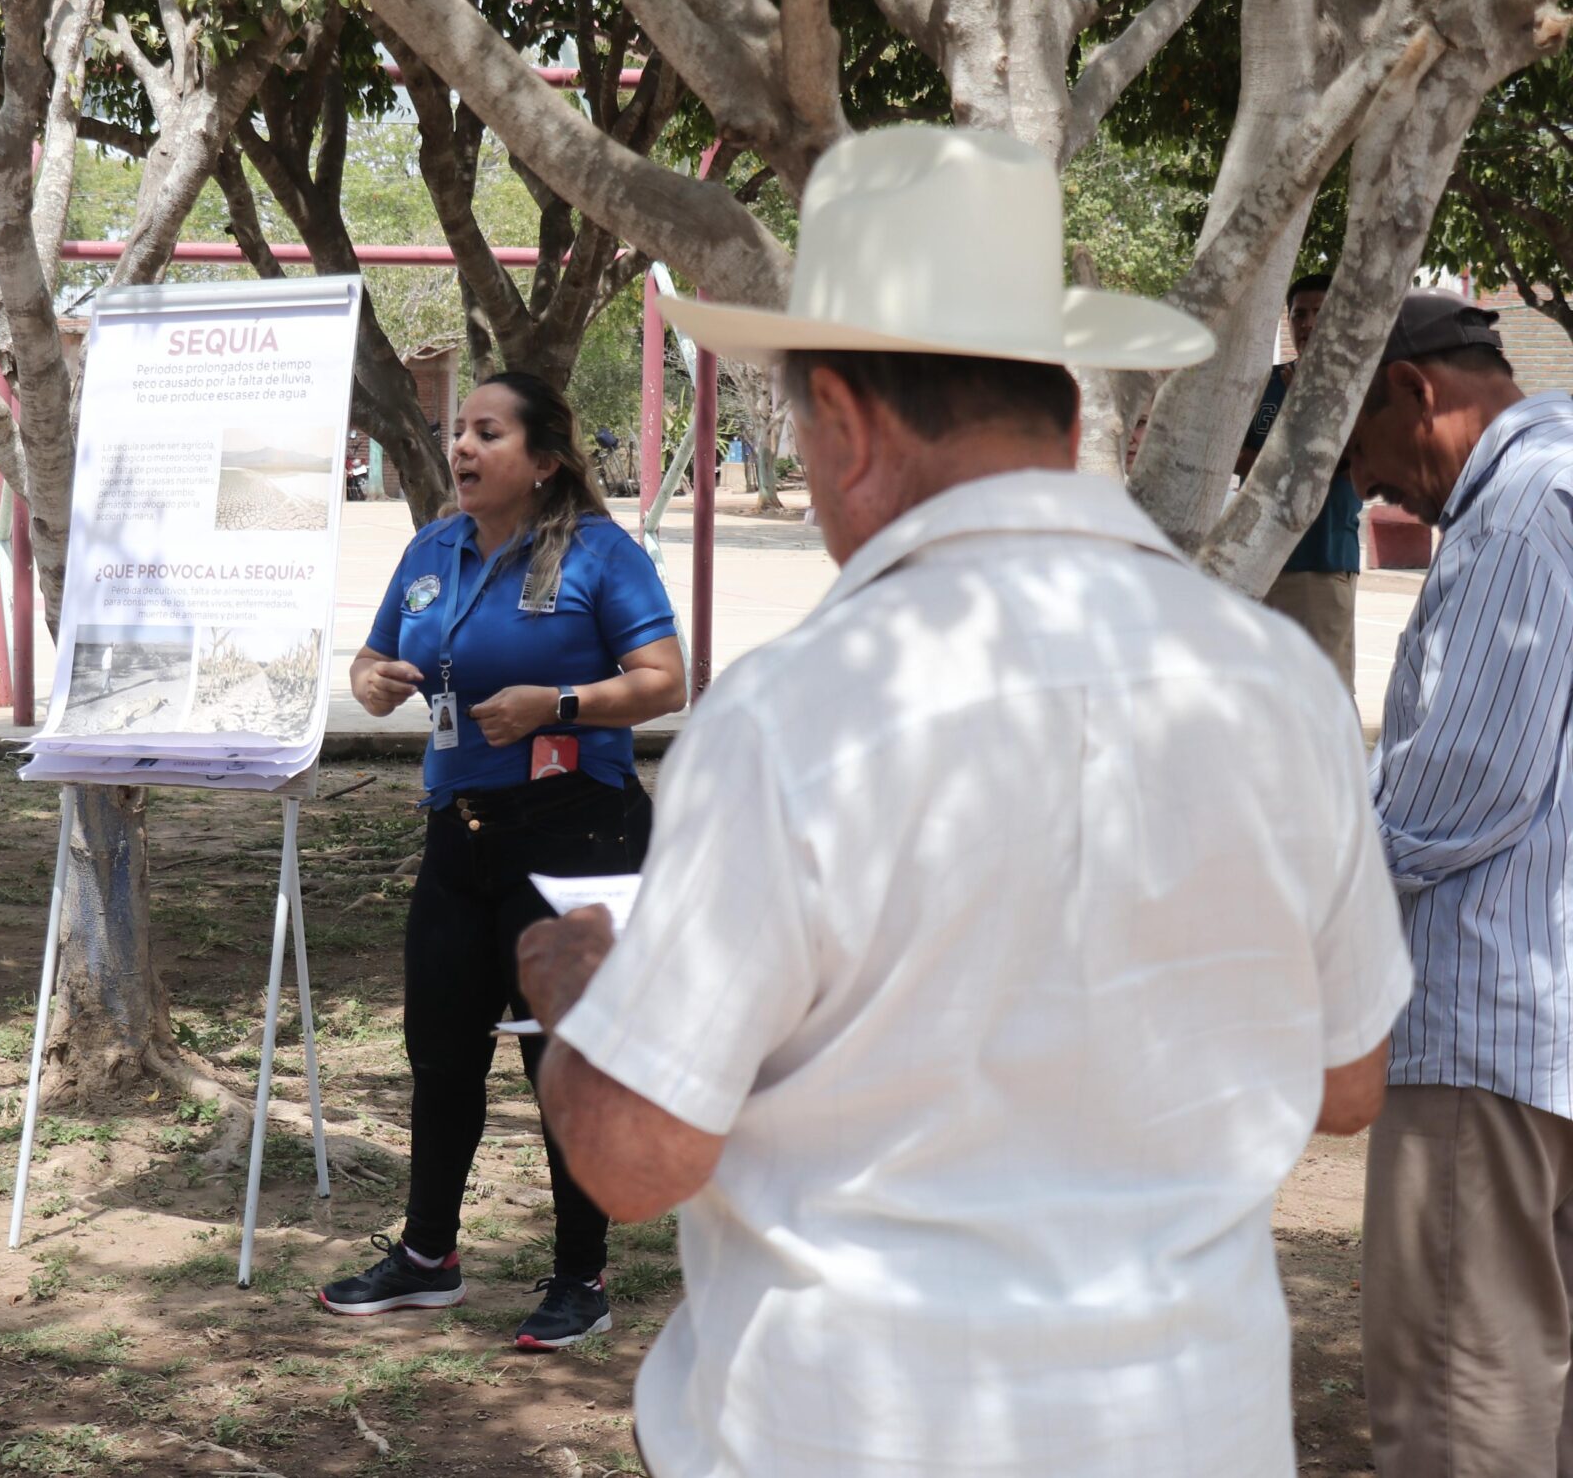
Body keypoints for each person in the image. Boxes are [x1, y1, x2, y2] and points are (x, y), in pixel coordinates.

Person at [515, 125, 1413, 1477]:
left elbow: (638, 1158)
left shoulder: (796, 713)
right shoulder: (1275, 678)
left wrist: (584, 998)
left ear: (846, 422)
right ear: (1060, 411)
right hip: (1193, 1427)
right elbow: (1350, 1080)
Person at [322, 370, 685, 1351]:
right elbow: (368, 658)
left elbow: (663, 681)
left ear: (544, 461)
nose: (463, 447)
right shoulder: (429, 550)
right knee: (440, 1049)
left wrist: (553, 704)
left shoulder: (600, 554)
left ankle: (581, 1274)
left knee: (562, 1057)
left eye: (488, 432)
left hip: (576, 834)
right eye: (458, 431)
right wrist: (375, 680)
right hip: (460, 831)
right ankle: (428, 1256)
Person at [1339, 291, 1573, 1476]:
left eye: (1366, 452)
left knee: (1461, 1408)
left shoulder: (1517, 512)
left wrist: (1314, 894)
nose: (1372, 490)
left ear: (1416, 391)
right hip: (1540, 1034)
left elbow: (1464, 782)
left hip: (1487, 1034)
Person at [1237, 271, 1366, 686]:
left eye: (1320, 312)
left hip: (1321, 564)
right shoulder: (1266, 383)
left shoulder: (1356, 387)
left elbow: (1339, 461)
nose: (1308, 323)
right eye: (1300, 314)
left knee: (1321, 693)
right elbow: (1234, 454)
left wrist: (1301, 409)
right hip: (1256, 564)